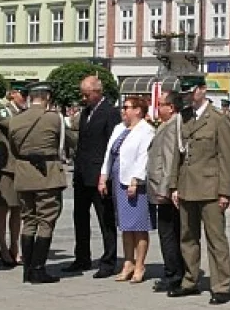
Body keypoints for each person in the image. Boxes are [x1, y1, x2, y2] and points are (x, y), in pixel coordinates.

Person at [168, 76, 230, 304]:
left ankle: (221, 285)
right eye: (185, 93)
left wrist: (225, 192)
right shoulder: (183, 118)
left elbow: (227, 158)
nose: (188, 97)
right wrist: (174, 185)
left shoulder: (218, 120)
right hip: (187, 186)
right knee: (187, 237)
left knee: (216, 239)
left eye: (192, 92)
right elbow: (177, 155)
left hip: (210, 188)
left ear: (203, 90)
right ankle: (190, 279)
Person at [5, 81, 67, 284]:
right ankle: (38, 268)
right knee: (46, 219)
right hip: (47, 174)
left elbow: (14, 148)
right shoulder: (53, 118)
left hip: (24, 174)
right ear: (47, 97)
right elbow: (60, 143)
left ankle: (28, 269)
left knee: (28, 219)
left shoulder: (16, 120)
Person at [64, 76, 122, 277]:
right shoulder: (85, 113)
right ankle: (82, 257)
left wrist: (105, 175)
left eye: (87, 94)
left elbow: (112, 146)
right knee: (80, 218)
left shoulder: (110, 113)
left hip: (99, 176)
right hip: (82, 174)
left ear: (97, 92)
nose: (83, 97)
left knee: (105, 219)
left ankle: (108, 261)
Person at [100, 96, 156, 283]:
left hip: (134, 183)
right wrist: (103, 176)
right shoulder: (119, 128)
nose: (123, 111)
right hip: (118, 180)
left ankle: (140, 264)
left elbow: (143, 157)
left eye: (127, 107)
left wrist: (136, 180)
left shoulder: (146, 131)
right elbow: (109, 153)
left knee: (138, 226)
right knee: (125, 226)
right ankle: (128, 262)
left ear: (138, 110)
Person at [147, 90, 187, 293]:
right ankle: (172, 271)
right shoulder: (165, 125)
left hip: (165, 191)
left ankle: (174, 274)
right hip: (159, 188)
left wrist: (166, 188)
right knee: (167, 234)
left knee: (169, 234)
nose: (158, 107)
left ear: (171, 107)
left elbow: (170, 159)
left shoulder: (172, 126)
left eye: (161, 104)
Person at [0, 80, 28, 267]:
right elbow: (12, 125)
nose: (25, 98)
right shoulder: (4, 109)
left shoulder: (24, 112)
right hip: (5, 166)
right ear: (13, 94)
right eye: (22, 94)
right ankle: (3, 246)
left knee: (18, 209)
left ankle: (15, 246)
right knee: (4, 207)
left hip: (19, 166)